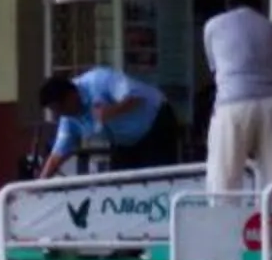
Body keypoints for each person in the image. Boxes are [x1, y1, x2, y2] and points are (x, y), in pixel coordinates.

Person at [201, 0, 272, 195]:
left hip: (233, 102)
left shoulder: (213, 26)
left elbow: (215, 68)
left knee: (224, 177)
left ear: (228, 4)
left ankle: (223, 215)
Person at [35, 67, 178, 179]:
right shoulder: (68, 118)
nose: (60, 114)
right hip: (124, 141)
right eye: (56, 111)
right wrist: (39, 185)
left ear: (71, 96)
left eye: (60, 109)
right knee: (120, 183)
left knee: (158, 177)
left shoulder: (99, 80)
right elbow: (57, 155)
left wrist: (112, 110)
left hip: (155, 121)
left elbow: (137, 97)